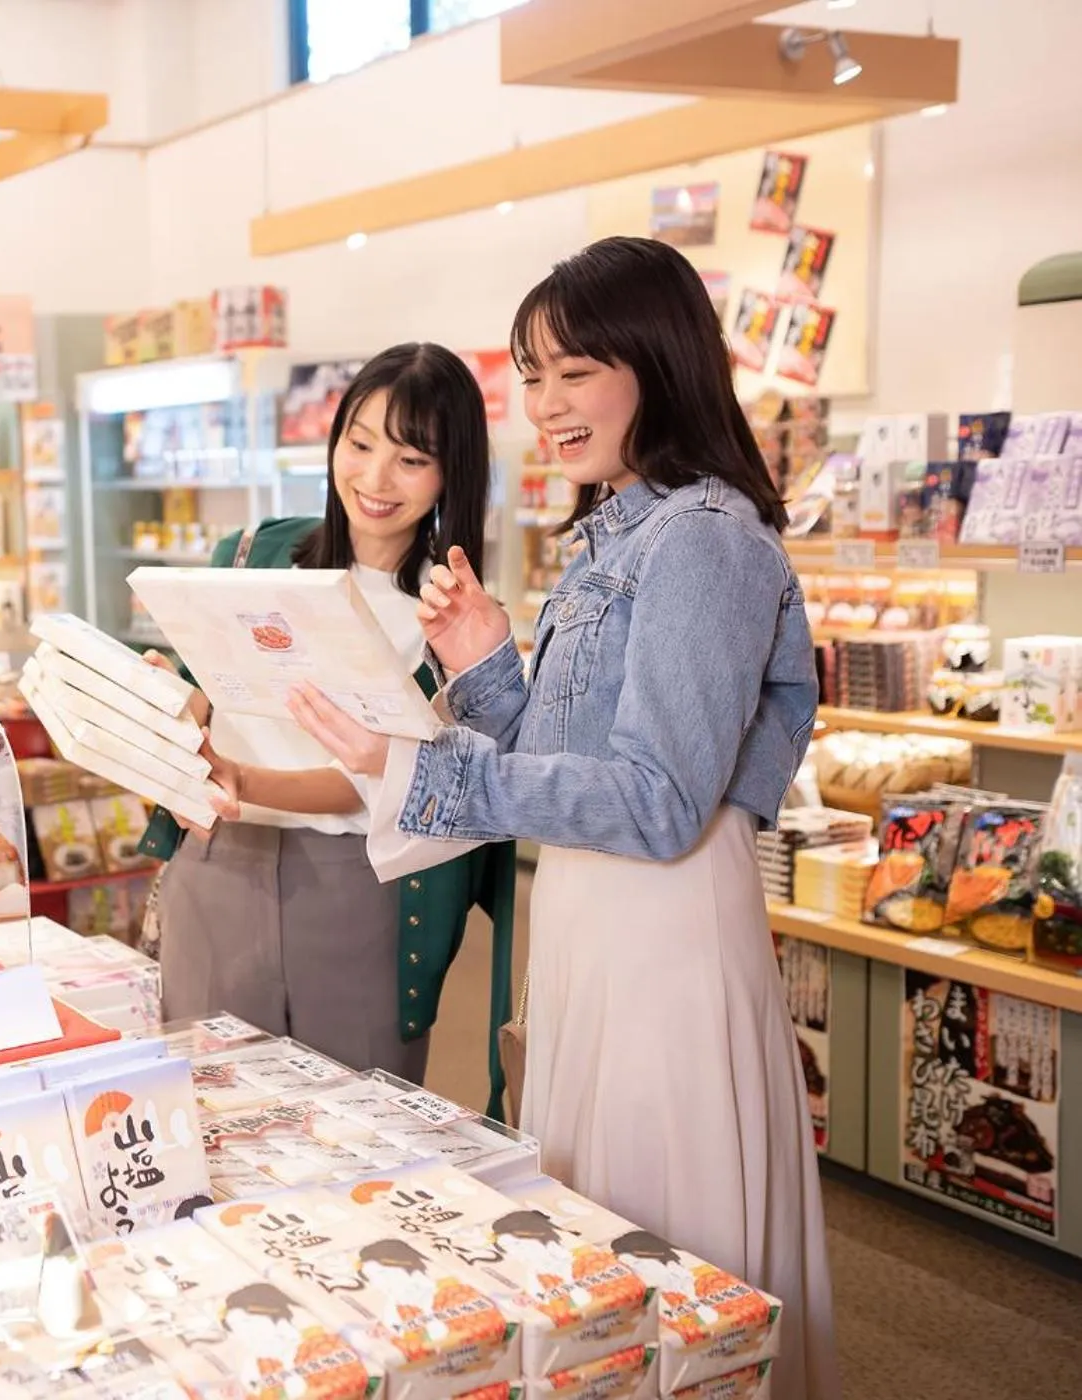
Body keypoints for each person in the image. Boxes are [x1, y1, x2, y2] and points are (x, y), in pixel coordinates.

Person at [287, 237, 837, 1400]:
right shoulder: (622, 527)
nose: (547, 404)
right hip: (602, 911)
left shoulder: (701, 537)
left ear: (657, 361)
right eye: (533, 375)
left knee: (671, 1243)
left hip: (664, 922)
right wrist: (486, 667)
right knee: (609, 1231)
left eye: (575, 371)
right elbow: (569, 758)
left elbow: (656, 798)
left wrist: (422, 768)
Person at [139, 343, 516, 1108]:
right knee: (211, 1114)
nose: (375, 480)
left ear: (452, 473)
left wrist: (245, 780)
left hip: (361, 896)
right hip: (218, 868)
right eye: (361, 443)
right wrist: (157, 708)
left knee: (356, 1130)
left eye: (411, 459)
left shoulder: (454, 617)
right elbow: (202, 698)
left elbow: (386, 783)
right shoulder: (254, 554)